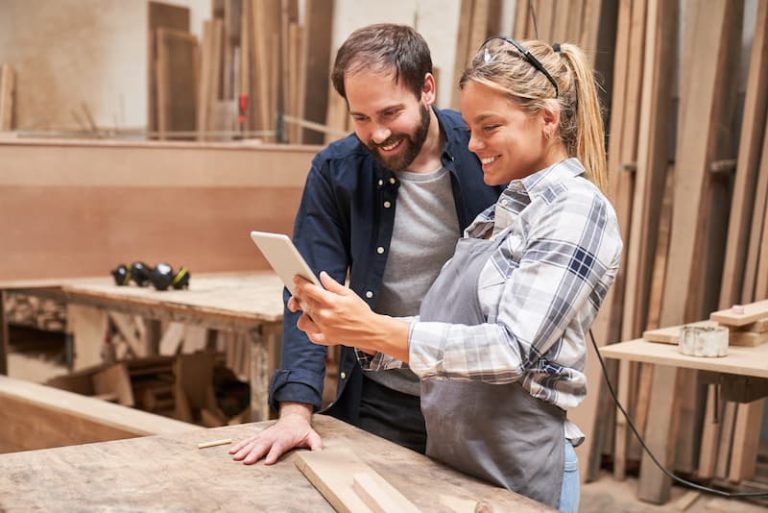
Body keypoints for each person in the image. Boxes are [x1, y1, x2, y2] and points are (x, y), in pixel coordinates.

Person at [289, 37, 623, 513]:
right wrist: (355, 333)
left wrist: (379, 329)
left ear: (548, 119)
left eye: (489, 127)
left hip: (515, 475)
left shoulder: (576, 210)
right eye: (469, 128)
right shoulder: (503, 210)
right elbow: (454, 341)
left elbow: (511, 351)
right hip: (457, 467)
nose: (472, 145)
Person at [229, 24, 502, 464]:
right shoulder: (336, 170)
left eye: (390, 113)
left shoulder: (486, 155)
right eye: (361, 118)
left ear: (427, 88)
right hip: (383, 401)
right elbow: (309, 293)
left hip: (478, 400)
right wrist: (295, 413)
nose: (376, 134)